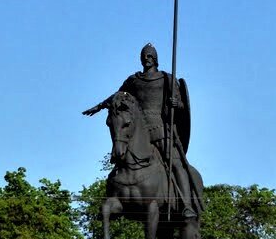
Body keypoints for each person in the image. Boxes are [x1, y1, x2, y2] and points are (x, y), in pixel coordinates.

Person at [83, 43, 198, 218]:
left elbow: (181, 105)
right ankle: (112, 200)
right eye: (144, 56)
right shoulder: (133, 80)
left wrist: (176, 104)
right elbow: (118, 96)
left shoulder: (167, 79)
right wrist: (99, 106)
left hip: (160, 130)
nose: (147, 59)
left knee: (176, 164)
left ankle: (186, 205)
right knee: (119, 162)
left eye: (150, 56)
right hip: (137, 131)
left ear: (156, 59)